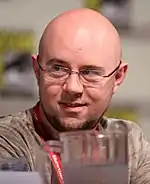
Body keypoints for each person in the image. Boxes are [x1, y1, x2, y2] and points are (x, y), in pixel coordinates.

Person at [0, 8, 150, 184]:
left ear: (117, 77)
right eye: (57, 69)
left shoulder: (128, 141)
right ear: (36, 70)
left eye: (90, 72)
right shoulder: (8, 139)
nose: (72, 87)